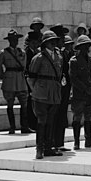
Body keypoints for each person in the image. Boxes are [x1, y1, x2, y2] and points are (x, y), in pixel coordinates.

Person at [26, 29, 63, 159]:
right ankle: (39, 149)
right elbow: (31, 77)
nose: (53, 43)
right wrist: (35, 91)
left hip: (54, 92)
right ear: (45, 43)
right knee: (41, 120)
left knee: (51, 120)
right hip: (41, 92)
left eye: (55, 41)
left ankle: (48, 147)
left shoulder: (59, 57)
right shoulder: (38, 58)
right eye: (50, 41)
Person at [0, 29, 32, 135]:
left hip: (20, 80)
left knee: (24, 103)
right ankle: (12, 127)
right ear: (9, 40)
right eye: (12, 39)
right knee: (10, 104)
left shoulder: (22, 52)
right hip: (10, 80)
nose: (14, 41)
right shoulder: (4, 53)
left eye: (16, 39)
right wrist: (3, 77)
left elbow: (24, 66)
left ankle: (24, 126)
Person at [69, 34, 91, 150]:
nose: (86, 48)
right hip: (79, 94)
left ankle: (89, 140)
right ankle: (76, 142)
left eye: (88, 46)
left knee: (89, 117)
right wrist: (85, 88)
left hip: (90, 94)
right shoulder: (74, 61)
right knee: (77, 117)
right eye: (84, 46)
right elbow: (73, 78)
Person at [50, 25, 71, 151]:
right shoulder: (52, 53)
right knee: (54, 115)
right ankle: (52, 142)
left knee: (62, 115)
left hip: (64, 87)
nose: (63, 39)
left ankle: (59, 142)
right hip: (54, 87)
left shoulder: (63, 53)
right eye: (61, 36)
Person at [24, 31, 41, 133]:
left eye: (36, 43)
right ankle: (30, 124)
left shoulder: (38, 53)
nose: (35, 45)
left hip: (37, 80)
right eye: (33, 43)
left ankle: (35, 123)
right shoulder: (26, 53)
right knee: (29, 103)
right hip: (29, 79)